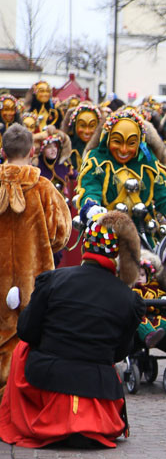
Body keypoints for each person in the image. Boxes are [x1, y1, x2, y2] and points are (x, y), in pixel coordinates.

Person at [0, 212, 144, 448]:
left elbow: (26, 331)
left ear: (85, 245)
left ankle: (33, 419)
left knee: (22, 349)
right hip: (98, 385)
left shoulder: (54, 280)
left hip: (47, 377)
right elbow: (120, 352)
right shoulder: (129, 299)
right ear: (115, 253)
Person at [0, 124, 72, 387]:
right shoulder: (43, 187)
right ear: (32, 151)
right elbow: (61, 233)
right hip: (35, 278)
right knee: (33, 334)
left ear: (2, 151)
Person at [76, 107, 166, 245]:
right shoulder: (96, 161)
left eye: (131, 143)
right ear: (108, 139)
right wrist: (92, 206)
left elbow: (163, 194)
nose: (124, 150)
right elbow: (90, 187)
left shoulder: (148, 162)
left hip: (142, 236)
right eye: (117, 142)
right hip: (104, 236)